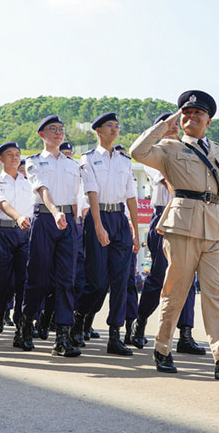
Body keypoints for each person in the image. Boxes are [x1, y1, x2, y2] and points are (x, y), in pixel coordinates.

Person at [130, 89, 219, 379]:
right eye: (185, 112)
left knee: (214, 294)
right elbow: (137, 152)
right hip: (182, 226)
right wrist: (164, 126)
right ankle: (161, 347)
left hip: (214, 229)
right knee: (176, 291)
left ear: (208, 120)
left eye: (197, 113)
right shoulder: (169, 148)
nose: (190, 116)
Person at [131, 112, 205, 355]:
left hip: (188, 216)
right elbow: (170, 185)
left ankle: (185, 334)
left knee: (189, 278)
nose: (173, 129)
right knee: (160, 275)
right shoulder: (157, 154)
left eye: (175, 125)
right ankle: (140, 323)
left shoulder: (188, 152)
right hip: (165, 214)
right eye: (169, 126)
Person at [72, 112, 140, 356]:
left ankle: (115, 336)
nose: (115, 129)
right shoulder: (88, 158)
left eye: (117, 126)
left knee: (121, 281)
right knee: (98, 281)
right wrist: (99, 226)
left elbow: (131, 197)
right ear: (98, 131)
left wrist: (136, 232)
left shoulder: (124, 161)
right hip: (98, 217)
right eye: (109, 126)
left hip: (119, 218)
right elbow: (91, 193)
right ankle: (79, 317)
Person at [20, 115, 81, 357]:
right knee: (39, 278)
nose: (58, 133)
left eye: (61, 129)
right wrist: (56, 213)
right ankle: (25, 322)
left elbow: (75, 198)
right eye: (52, 129)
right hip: (45, 218)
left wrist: (74, 224)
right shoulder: (34, 162)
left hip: (67, 222)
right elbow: (43, 189)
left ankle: (62, 337)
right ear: (41, 135)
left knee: (67, 280)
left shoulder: (72, 165)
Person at [0, 141, 33, 349]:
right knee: (0, 282)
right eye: (9, 154)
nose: (15, 158)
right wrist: (18, 217)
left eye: (17, 154)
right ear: (1, 159)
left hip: (25, 234)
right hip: (3, 232)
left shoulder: (29, 182)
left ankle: (22, 329)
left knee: (24, 283)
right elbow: (1, 203)